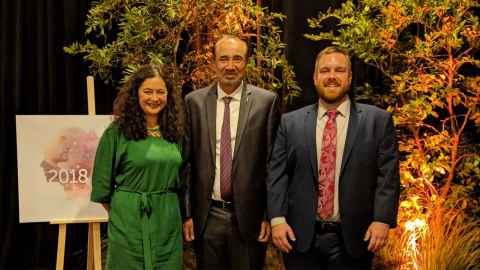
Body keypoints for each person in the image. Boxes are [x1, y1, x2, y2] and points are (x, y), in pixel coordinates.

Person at [267, 46, 400, 269]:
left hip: (355, 239)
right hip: (298, 238)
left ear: (349, 78)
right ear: (315, 77)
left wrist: (382, 219)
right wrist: (277, 220)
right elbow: (277, 175)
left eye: (339, 70)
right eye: (325, 70)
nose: (331, 76)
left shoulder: (378, 121)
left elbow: (388, 175)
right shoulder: (290, 123)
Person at [182, 35, 280, 270]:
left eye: (237, 59)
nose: (230, 65)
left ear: (246, 63)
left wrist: (269, 214)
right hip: (207, 216)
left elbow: (273, 165)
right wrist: (187, 214)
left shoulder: (266, 102)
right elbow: (186, 163)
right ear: (213, 63)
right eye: (223, 59)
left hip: (250, 219)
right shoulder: (194, 102)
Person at [90, 64, 184, 270]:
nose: (154, 98)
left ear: (168, 96)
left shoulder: (175, 133)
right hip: (128, 221)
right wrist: (125, 211)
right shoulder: (116, 132)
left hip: (167, 220)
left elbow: (183, 178)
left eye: (160, 92)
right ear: (136, 94)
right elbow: (102, 185)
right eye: (148, 91)